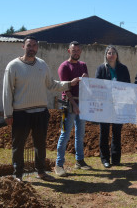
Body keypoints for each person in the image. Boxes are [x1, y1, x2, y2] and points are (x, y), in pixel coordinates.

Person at [3, 36, 80, 182]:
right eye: (29, 45)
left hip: (40, 113)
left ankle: (41, 172)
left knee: (40, 145)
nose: (31, 48)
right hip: (21, 114)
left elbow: (52, 84)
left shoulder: (42, 65)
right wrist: (8, 113)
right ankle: (18, 174)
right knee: (18, 145)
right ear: (23, 46)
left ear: (37, 48)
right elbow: (7, 91)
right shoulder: (13, 66)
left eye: (34, 46)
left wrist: (70, 84)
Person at [55, 41, 91, 177]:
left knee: (80, 134)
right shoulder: (64, 67)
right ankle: (59, 165)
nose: (76, 53)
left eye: (78, 50)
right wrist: (74, 105)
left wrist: (86, 79)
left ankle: (80, 161)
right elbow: (65, 87)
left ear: (81, 51)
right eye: (73, 50)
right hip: (69, 104)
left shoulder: (83, 65)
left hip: (82, 103)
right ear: (68, 51)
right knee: (65, 134)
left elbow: (86, 86)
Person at [95, 45, 130, 168]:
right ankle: (105, 159)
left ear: (117, 55)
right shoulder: (101, 69)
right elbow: (97, 86)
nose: (111, 55)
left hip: (118, 106)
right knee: (104, 132)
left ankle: (116, 158)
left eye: (113, 52)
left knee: (117, 132)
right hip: (105, 106)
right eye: (109, 53)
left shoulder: (123, 69)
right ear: (106, 55)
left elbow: (127, 86)